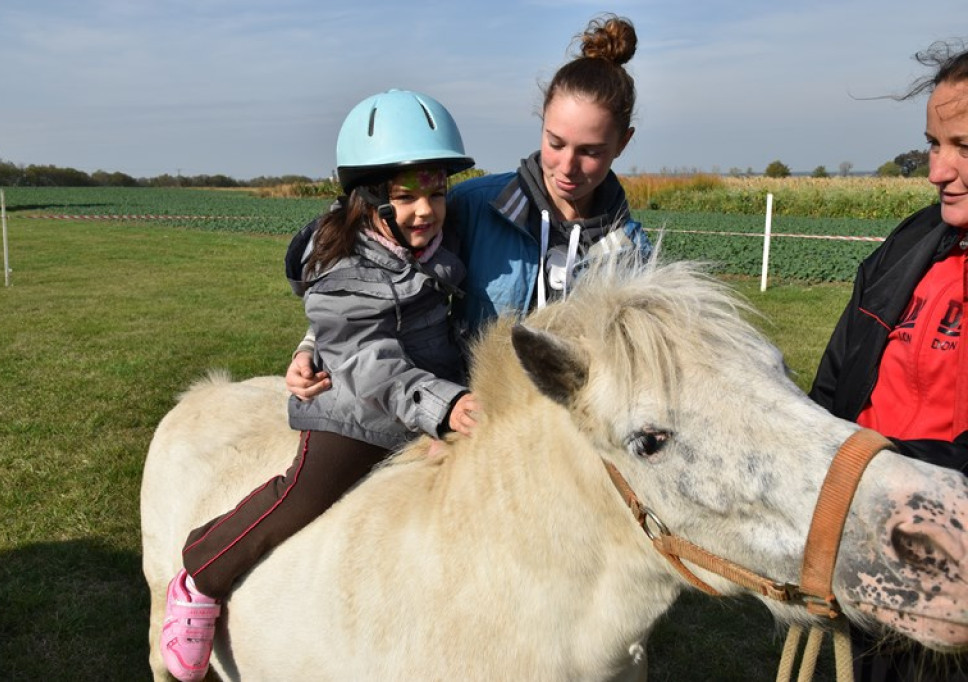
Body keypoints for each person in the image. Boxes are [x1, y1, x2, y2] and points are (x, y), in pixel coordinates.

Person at [159, 88, 481, 682]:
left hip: (429, 400)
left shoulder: (434, 241)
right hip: (357, 411)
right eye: (406, 196)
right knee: (302, 495)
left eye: (437, 192)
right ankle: (201, 575)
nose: (426, 210)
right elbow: (367, 357)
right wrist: (447, 402)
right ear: (368, 199)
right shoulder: (342, 263)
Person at [287, 13, 653, 400]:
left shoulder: (633, 255)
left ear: (623, 143)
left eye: (591, 152)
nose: (567, 167)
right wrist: (311, 345)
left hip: (565, 444)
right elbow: (377, 271)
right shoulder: (475, 206)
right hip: (468, 426)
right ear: (542, 123)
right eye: (556, 143)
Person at [808, 40, 968, 682]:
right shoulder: (909, 246)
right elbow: (833, 386)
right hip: (866, 549)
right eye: (934, 144)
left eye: (965, 148)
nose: (937, 171)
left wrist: (890, 471)